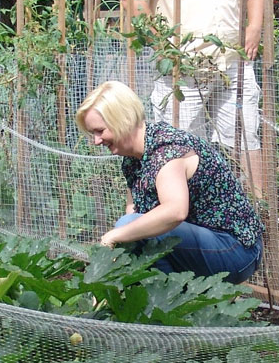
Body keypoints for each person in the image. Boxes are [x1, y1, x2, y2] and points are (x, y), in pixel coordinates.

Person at [123, 0, 267, 199]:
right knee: (180, 148)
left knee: (246, 139)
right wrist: (168, 48)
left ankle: (258, 210)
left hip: (232, 63)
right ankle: (187, 217)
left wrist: (255, 26)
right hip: (181, 71)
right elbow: (133, 2)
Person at [75, 81, 263, 284]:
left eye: (100, 131)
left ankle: (171, 302)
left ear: (123, 120)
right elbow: (134, 212)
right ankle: (170, 304)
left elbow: (175, 211)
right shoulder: (132, 160)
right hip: (204, 247)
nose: (96, 141)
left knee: (127, 228)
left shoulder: (167, 150)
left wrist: (112, 237)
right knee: (132, 234)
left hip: (237, 250)